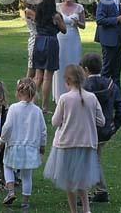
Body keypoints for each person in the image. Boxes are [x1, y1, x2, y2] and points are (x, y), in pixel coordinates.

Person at [44, 65, 105, 213]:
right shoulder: (92, 97)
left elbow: (55, 121)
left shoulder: (64, 98)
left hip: (66, 144)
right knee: (82, 178)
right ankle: (86, 209)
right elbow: (101, 121)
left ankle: (74, 211)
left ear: (68, 80)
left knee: (69, 181)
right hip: (87, 143)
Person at [81, 54, 121, 204]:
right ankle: (101, 190)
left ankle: (86, 193)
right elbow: (120, 106)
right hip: (105, 130)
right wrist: (115, 125)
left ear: (86, 69)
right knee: (95, 159)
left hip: (87, 130)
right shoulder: (111, 85)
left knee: (87, 160)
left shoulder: (83, 88)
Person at [0, 78, 47, 209]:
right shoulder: (37, 111)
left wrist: (2, 141)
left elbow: (7, 126)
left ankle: (11, 191)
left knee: (7, 166)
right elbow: (43, 131)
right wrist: (42, 146)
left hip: (14, 145)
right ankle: (25, 201)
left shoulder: (13, 108)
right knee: (27, 175)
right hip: (31, 148)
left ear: (18, 92)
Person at [32, 0, 67, 113]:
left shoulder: (38, 13)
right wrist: (60, 20)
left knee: (37, 76)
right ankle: (45, 107)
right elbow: (64, 30)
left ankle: (32, 103)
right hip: (50, 42)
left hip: (39, 41)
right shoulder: (55, 16)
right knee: (47, 77)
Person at [53, 0, 85, 103]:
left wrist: (78, 23)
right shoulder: (57, 7)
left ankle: (75, 90)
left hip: (73, 39)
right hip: (60, 38)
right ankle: (59, 94)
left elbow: (84, 26)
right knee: (60, 65)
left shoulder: (79, 7)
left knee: (74, 63)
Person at [24, 0, 41, 79]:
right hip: (34, 41)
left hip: (41, 39)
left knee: (38, 72)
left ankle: (32, 91)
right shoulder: (29, 11)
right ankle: (22, 90)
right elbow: (40, 21)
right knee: (31, 71)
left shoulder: (39, 8)